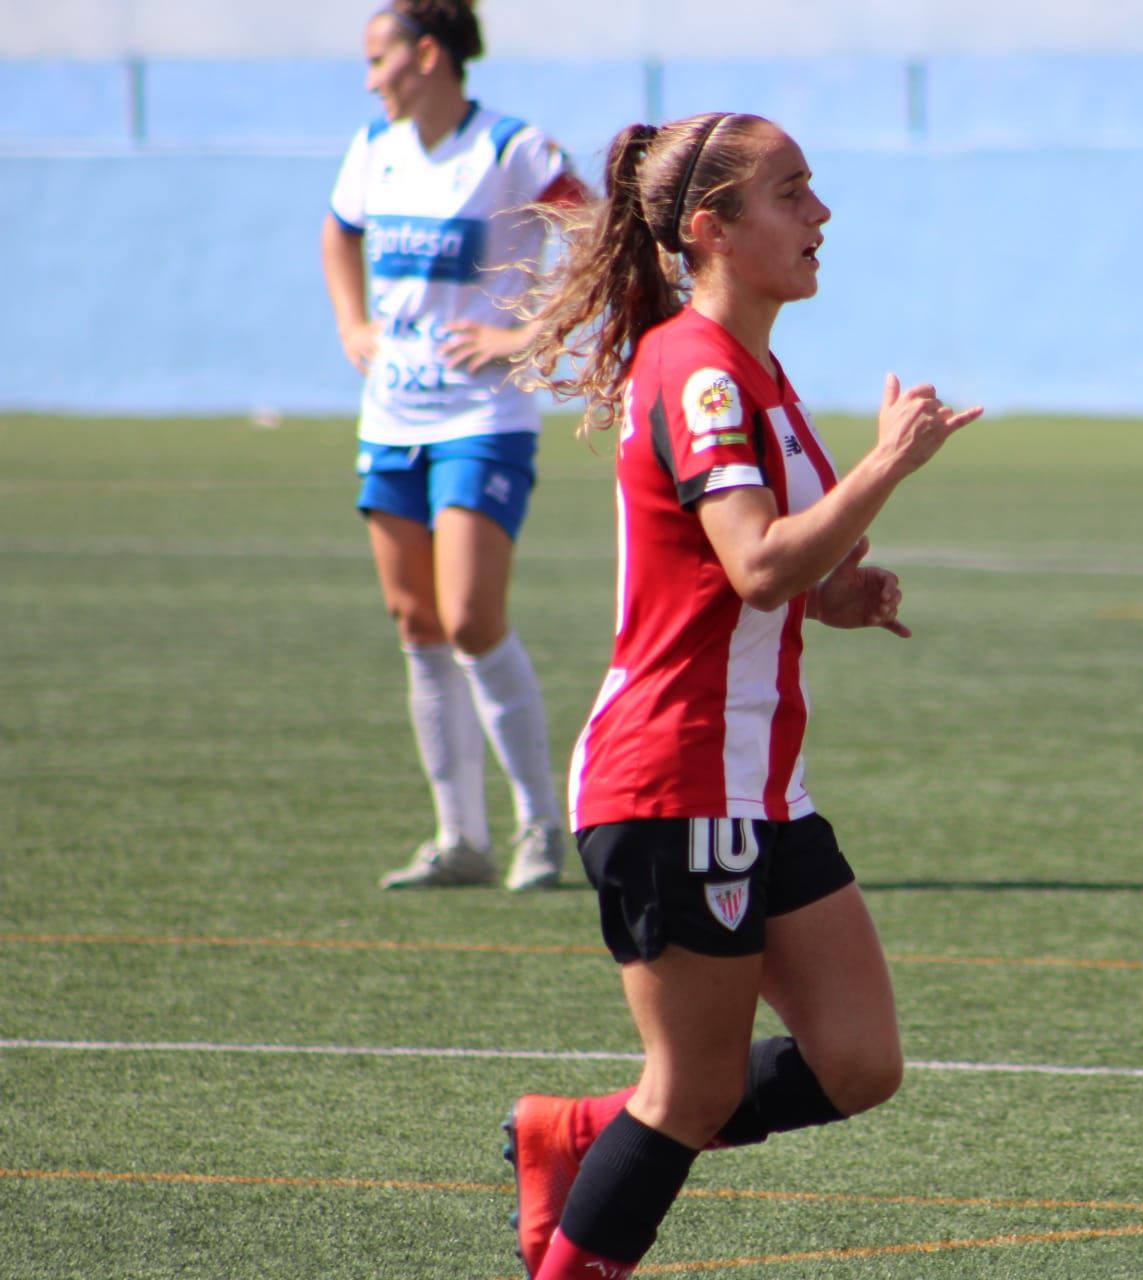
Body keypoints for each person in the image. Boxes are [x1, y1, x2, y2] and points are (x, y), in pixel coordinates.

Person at [497, 112, 982, 1279]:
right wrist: (883, 466)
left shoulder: (752, 367)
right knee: (692, 1090)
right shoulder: (702, 372)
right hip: (674, 777)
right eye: (793, 193)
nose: (821, 215)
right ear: (710, 229)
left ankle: (570, 1130)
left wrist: (836, 597)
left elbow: (755, 573)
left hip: (756, 784)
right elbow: (757, 559)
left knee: (859, 1061)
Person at [320, 0, 586, 891]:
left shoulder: (513, 149)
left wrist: (526, 338)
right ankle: (458, 839)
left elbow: (592, 237)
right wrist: (352, 323)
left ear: (427, 54)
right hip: (392, 417)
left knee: (472, 617)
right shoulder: (375, 149)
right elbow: (339, 233)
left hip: (483, 419)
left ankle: (541, 828)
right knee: (417, 623)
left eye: (377, 57)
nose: (369, 78)